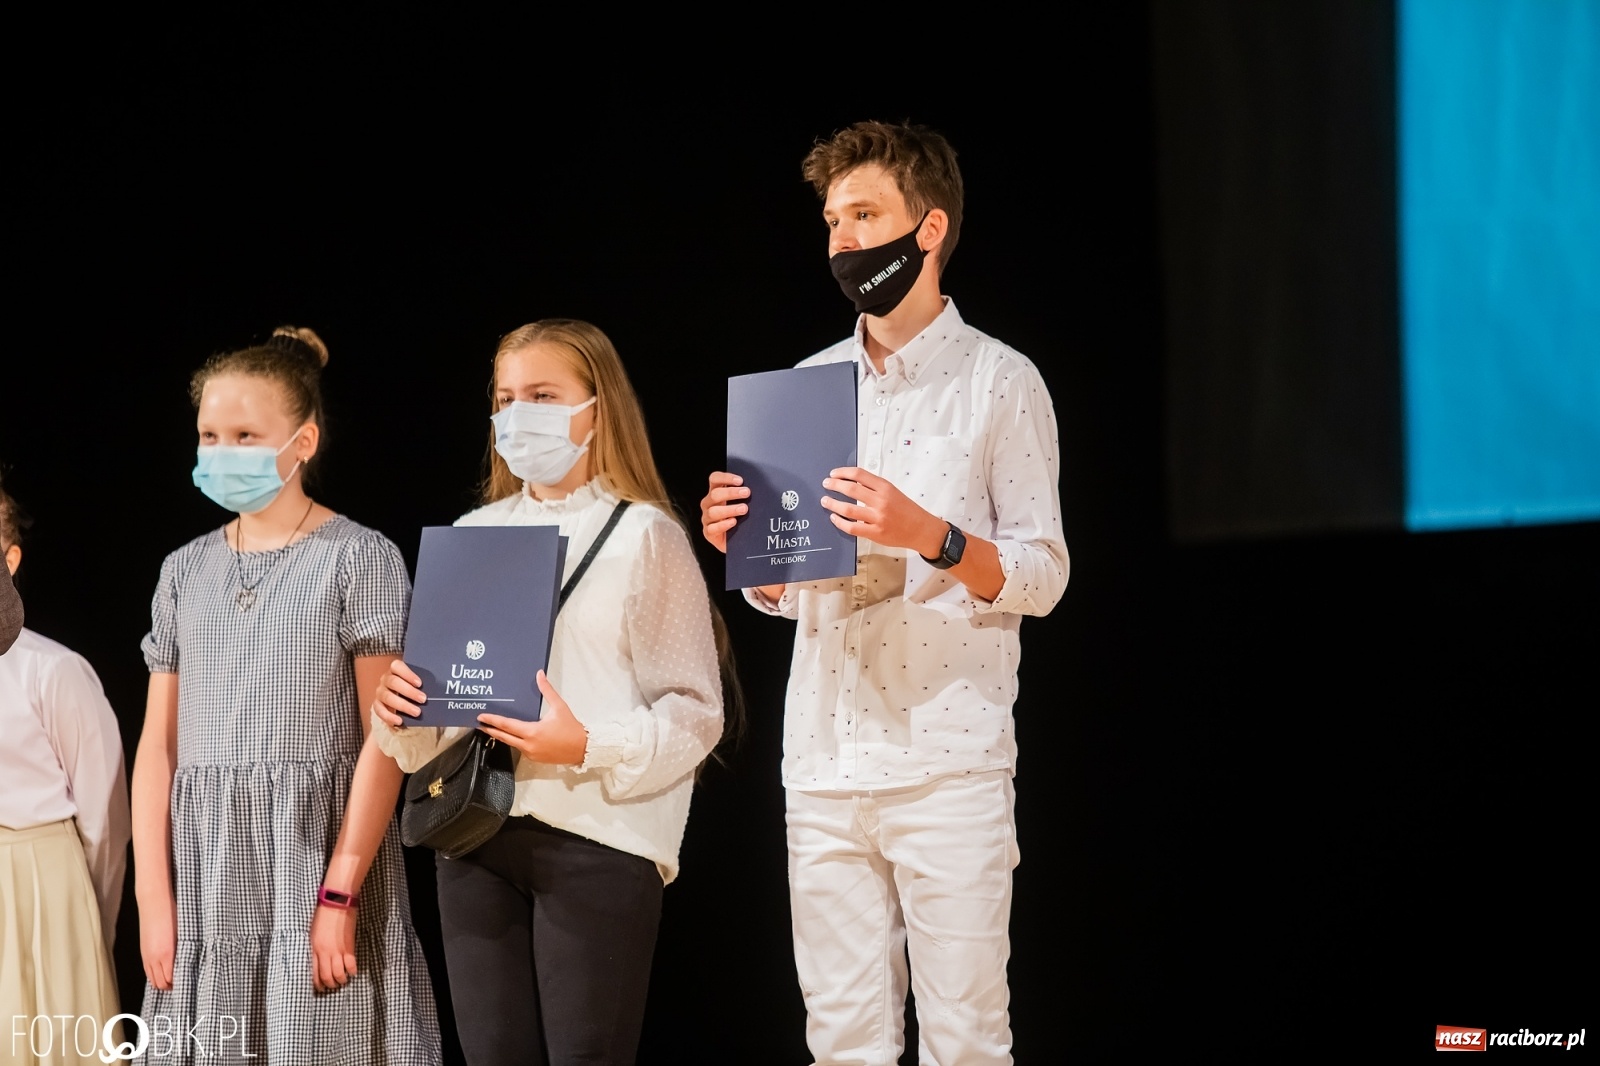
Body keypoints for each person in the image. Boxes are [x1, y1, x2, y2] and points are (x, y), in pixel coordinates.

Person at [700, 121, 1069, 1065]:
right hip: (823, 762)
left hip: (947, 760)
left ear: (929, 228)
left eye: (865, 215)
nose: (844, 242)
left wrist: (931, 536)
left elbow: (1043, 574)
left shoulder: (998, 381)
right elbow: (781, 592)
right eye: (832, 222)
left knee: (968, 1040)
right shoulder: (807, 386)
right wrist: (749, 553)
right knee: (842, 1042)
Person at [343, 319, 727, 1066]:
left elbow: (694, 711)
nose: (519, 415)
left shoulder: (644, 535)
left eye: (543, 395)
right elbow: (434, 724)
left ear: (597, 408)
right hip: (473, 837)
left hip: (598, 840)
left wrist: (585, 744)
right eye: (506, 397)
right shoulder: (475, 531)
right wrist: (399, 712)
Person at [131, 327, 440, 1064]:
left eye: (244, 434)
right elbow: (157, 747)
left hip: (314, 859)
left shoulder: (358, 558)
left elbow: (385, 738)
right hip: (208, 873)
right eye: (210, 435)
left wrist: (339, 892)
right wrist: (152, 897)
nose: (221, 450)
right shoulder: (183, 571)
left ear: (302, 442)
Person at [0, 481, 129, 1065]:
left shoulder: (52, 671)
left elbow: (106, 825)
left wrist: (85, 932)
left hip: (40, 892)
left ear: (9, 559)